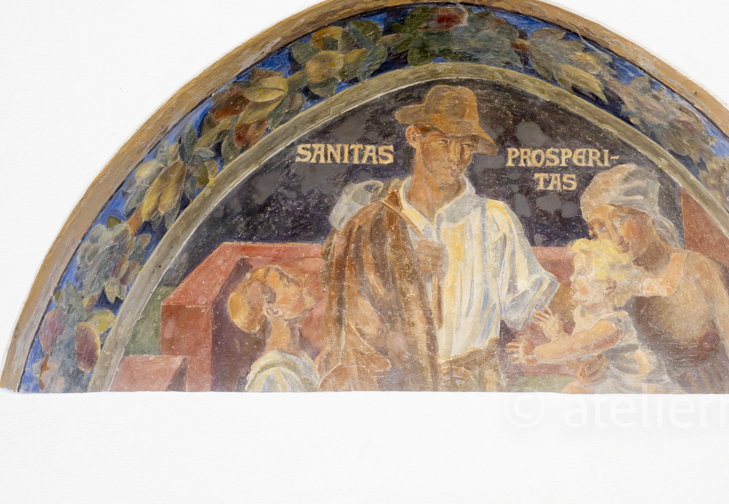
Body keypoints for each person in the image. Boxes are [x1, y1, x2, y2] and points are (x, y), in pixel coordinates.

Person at [318, 85, 558, 391]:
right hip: (399, 389)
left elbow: (526, 305)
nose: (456, 157)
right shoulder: (371, 222)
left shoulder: (494, 219)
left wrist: (575, 341)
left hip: (476, 388)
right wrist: (402, 269)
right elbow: (351, 315)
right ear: (414, 137)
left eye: (466, 145)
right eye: (443, 141)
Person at [578, 163, 729, 393]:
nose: (613, 237)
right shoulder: (607, 283)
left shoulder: (701, 271)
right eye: (600, 227)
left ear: (647, 215)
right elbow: (594, 355)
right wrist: (586, 374)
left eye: (620, 220)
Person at [506, 238, 679, 394]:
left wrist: (536, 355)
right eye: (575, 272)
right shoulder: (582, 316)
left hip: (643, 393)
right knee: (574, 390)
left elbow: (577, 346)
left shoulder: (613, 324)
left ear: (608, 287)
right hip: (609, 389)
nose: (572, 278)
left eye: (581, 273)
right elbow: (579, 359)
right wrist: (558, 336)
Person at [227, 265, 319, 392]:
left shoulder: (302, 361)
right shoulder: (273, 376)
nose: (300, 281)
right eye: (287, 283)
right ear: (272, 311)